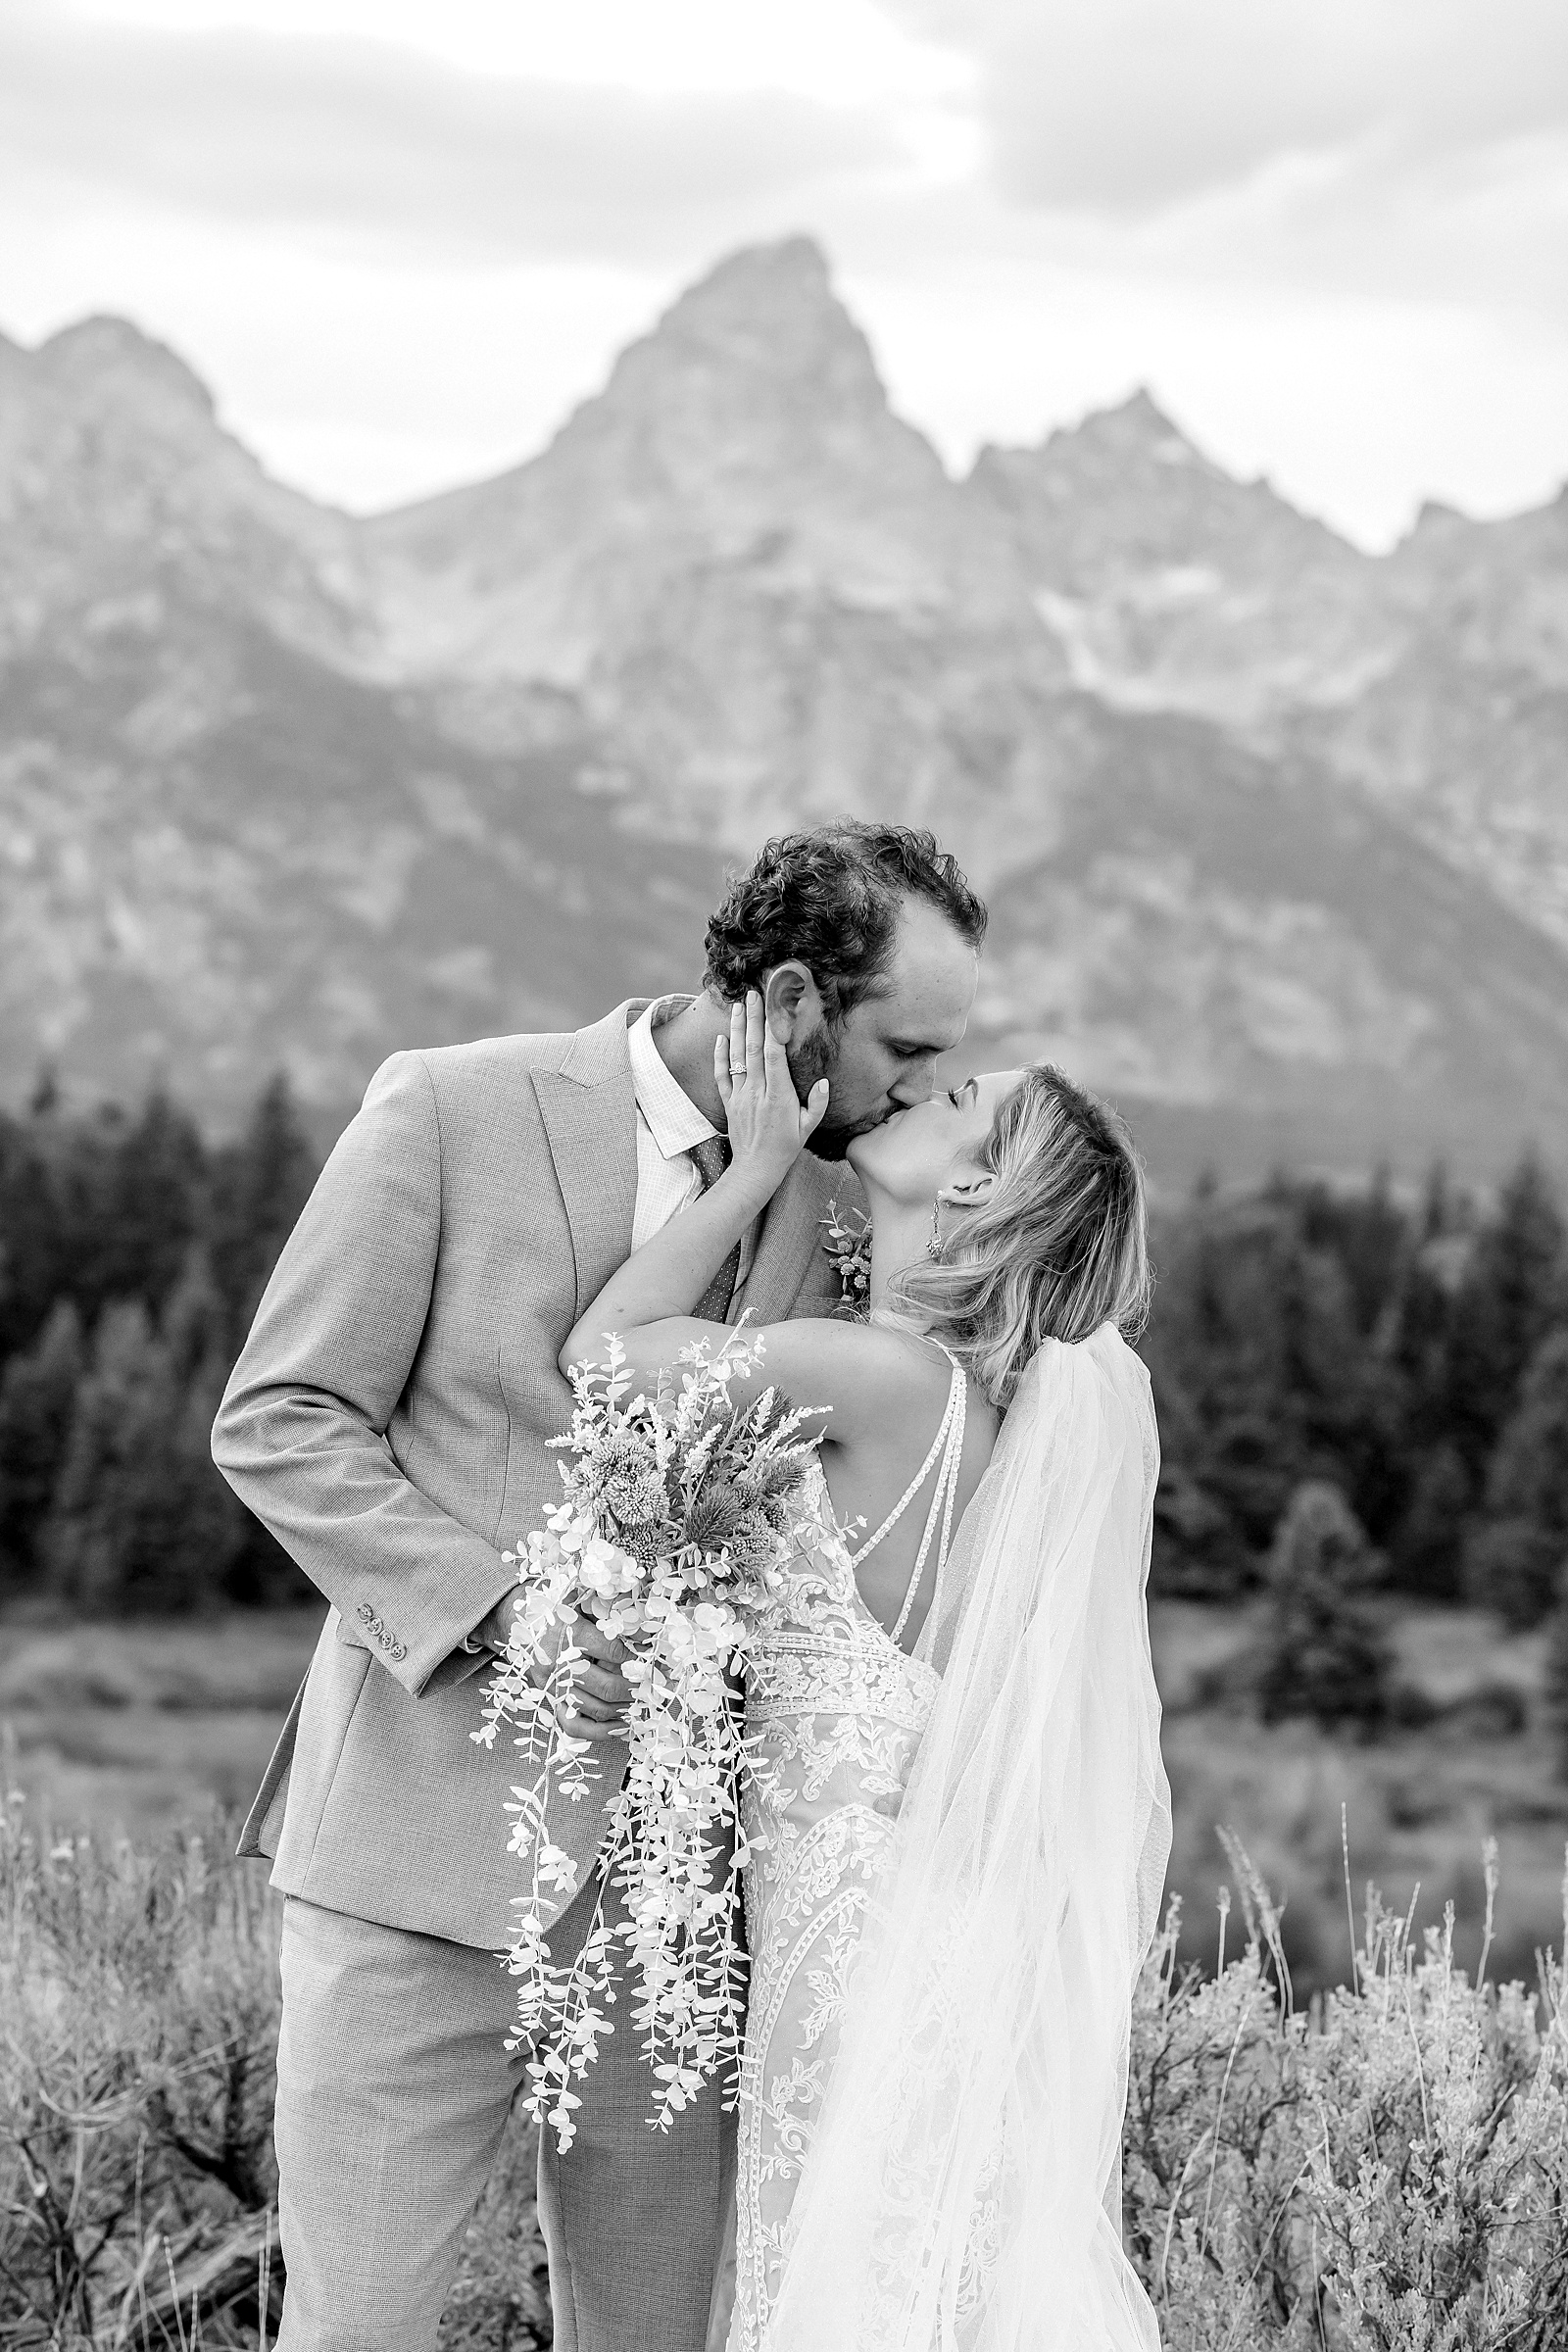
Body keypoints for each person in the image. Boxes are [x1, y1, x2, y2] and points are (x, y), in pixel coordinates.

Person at [210, 822, 988, 2352]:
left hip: (679, 1907)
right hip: (410, 1870)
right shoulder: (450, 1108)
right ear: (789, 997)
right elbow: (280, 1420)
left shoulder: (841, 1216)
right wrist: (506, 1613)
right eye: (907, 1043)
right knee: (352, 2333)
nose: (917, 1085)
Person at [564, 994, 1172, 2352]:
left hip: (854, 1946)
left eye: (963, 1105)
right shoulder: (992, 1411)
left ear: (977, 1187)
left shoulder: (881, 1377)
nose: (922, 1091)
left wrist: (764, 1166)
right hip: (919, 1928)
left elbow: (605, 1364)